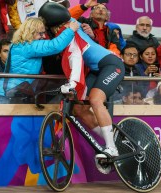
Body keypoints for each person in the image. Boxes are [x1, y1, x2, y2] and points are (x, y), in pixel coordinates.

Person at [39, 2, 125, 173]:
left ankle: (111, 148)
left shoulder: (67, 32)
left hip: (111, 64)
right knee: (78, 109)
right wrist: (85, 5)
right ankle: (114, 141)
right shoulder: (69, 22)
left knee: (95, 100)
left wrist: (72, 84)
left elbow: (76, 59)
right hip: (95, 69)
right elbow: (69, 12)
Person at [0, 17, 79, 104]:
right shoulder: (29, 46)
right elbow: (55, 46)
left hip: (6, 93)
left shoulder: (18, 45)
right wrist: (70, 30)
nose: (44, 36)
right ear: (31, 32)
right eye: (41, 33)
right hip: (8, 96)